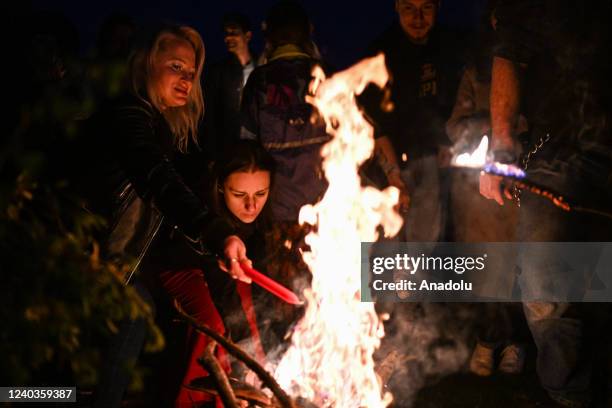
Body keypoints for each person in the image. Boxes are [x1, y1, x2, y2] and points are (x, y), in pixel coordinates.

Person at [76, 24, 252, 408]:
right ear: (145, 64)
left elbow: (179, 188)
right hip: (81, 256)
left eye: (192, 73)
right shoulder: (128, 117)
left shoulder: (163, 130)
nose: (187, 79)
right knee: (133, 316)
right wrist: (215, 232)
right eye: (176, 66)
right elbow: (157, 179)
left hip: (113, 263)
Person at [480, 1, 612, 406]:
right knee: (546, 282)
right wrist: (501, 149)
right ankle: (569, 395)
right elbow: (509, 51)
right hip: (563, 147)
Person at [159, 140, 274, 407]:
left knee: (250, 319)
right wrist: (244, 352)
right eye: (239, 195)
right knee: (213, 326)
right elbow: (221, 286)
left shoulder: (257, 218)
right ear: (221, 186)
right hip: (179, 264)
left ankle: (243, 398)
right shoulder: (205, 209)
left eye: (260, 194)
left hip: (222, 267)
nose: (251, 206)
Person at [445, 2, 527, 377]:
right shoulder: (475, 71)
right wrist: (487, 127)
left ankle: (514, 342)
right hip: (478, 194)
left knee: (515, 267)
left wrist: (515, 129)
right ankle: (487, 339)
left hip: (519, 185)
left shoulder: (533, 65)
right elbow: (456, 123)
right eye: (495, 18)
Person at [363, 0, 465, 243]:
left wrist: (449, 143)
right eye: (409, 8)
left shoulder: (451, 47)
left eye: (426, 8)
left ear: (438, 6)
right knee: (385, 246)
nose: (418, 17)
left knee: (425, 245)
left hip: (434, 162)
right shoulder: (381, 53)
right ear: (397, 6)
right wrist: (392, 173)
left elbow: (459, 102)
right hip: (388, 163)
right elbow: (374, 124)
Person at [202, 13, 258, 159]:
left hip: (257, 145)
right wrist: (212, 153)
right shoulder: (218, 71)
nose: (228, 38)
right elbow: (209, 114)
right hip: (228, 146)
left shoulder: (261, 67)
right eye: (226, 33)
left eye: (234, 33)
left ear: (248, 36)